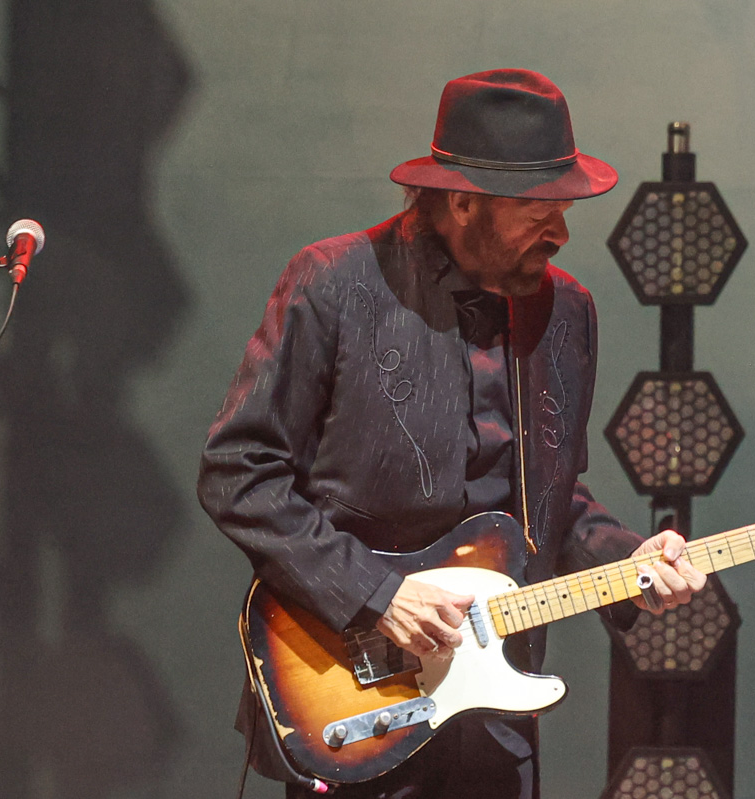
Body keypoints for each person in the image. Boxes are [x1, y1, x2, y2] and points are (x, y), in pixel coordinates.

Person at [197, 68, 706, 799]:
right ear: (463, 202)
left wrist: (631, 561)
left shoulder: (567, 311)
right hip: (355, 695)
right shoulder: (335, 282)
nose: (561, 234)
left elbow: (553, 503)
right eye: (539, 212)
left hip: (492, 708)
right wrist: (377, 594)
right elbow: (238, 470)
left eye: (564, 212)